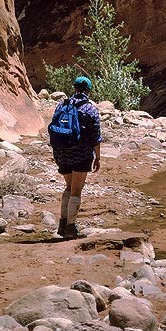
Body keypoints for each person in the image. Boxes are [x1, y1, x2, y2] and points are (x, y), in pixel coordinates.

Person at [52, 75, 102, 239]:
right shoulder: (90, 109)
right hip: (81, 154)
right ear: (88, 90)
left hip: (62, 152)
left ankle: (62, 224)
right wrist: (98, 157)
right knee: (76, 191)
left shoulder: (62, 105)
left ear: (74, 88)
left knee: (69, 186)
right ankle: (71, 228)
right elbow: (95, 137)